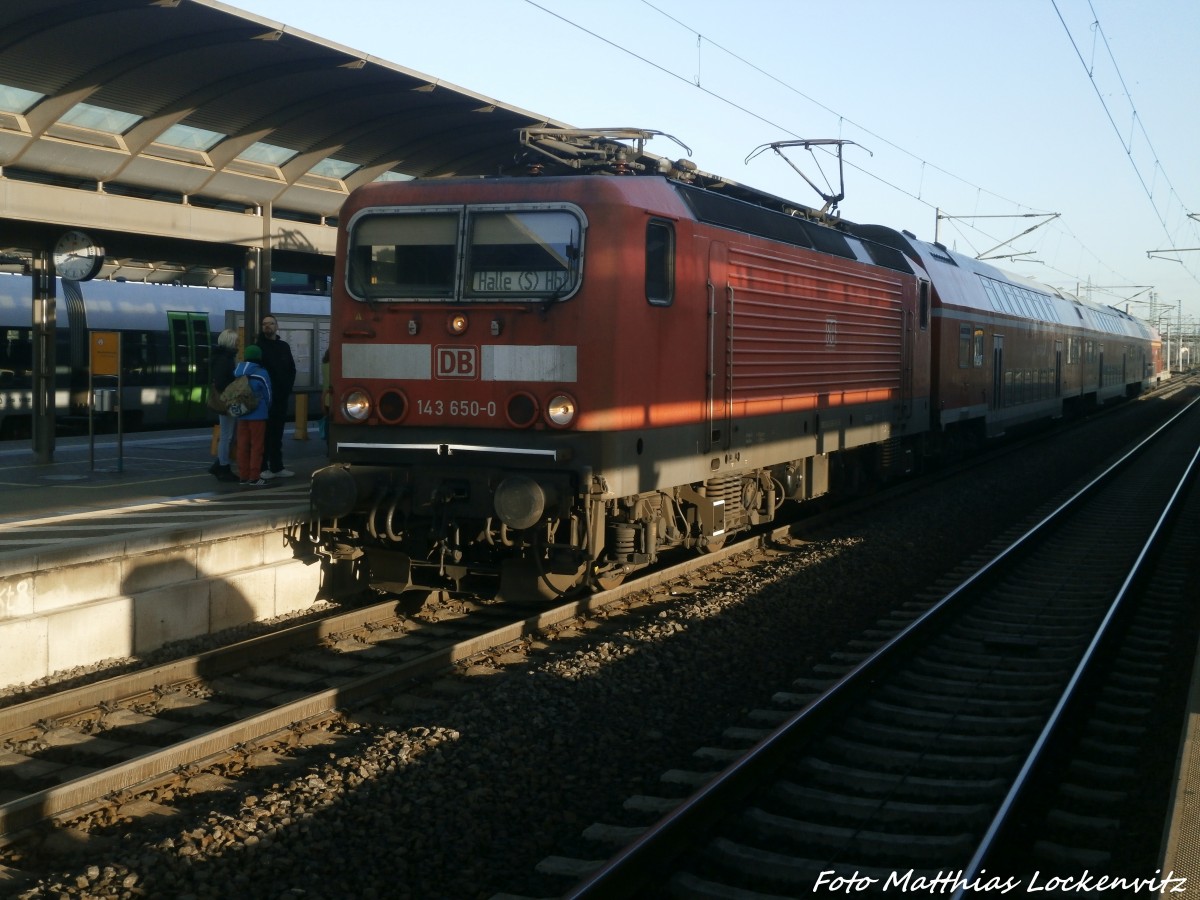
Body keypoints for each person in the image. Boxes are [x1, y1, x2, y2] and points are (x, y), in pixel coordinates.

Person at [255, 313, 296, 479]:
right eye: (265, 324)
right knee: (264, 434)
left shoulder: (284, 346)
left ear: (276, 327)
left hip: (280, 398)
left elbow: (291, 369)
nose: (268, 326)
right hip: (264, 400)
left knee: (277, 434)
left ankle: (277, 466)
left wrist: (287, 389)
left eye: (271, 323)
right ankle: (263, 467)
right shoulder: (258, 347)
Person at [233, 344, 273, 487]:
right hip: (258, 415)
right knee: (257, 446)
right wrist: (266, 408)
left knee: (242, 446)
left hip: (242, 413)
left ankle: (243, 476)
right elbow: (268, 394)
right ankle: (254, 477)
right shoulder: (262, 373)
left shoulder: (237, 371)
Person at [208, 329, 240, 482]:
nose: (238, 342)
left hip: (225, 400)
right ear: (230, 341)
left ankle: (220, 464)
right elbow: (222, 382)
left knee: (228, 434)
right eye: (236, 340)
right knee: (227, 435)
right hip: (227, 401)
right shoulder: (225, 359)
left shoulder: (220, 357)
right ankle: (223, 467)